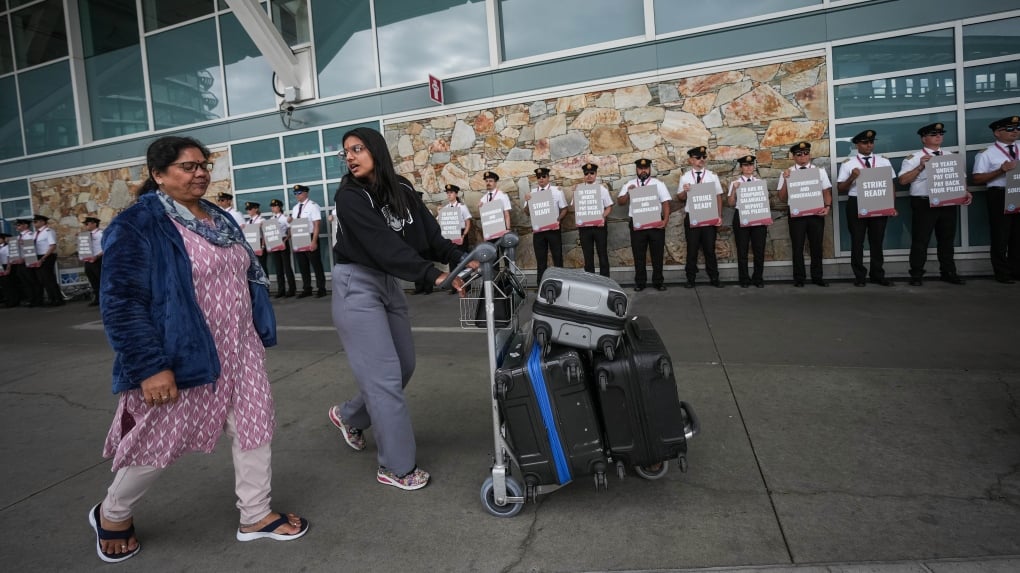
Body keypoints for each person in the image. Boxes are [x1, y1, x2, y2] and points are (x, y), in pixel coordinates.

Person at [89, 135, 308, 564]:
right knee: (157, 440)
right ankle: (112, 515)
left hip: (241, 348)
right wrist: (151, 367)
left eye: (203, 164)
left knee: (254, 426)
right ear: (158, 174)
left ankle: (256, 514)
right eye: (188, 166)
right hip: (181, 353)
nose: (200, 172)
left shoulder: (217, 217)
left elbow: (244, 278)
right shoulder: (138, 224)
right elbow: (120, 302)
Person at [327, 126, 470, 491]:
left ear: (376, 149)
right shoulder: (350, 197)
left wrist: (458, 259)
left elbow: (428, 235)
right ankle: (396, 466)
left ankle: (348, 415)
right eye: (346, 152)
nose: (351, 156)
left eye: (357, 148)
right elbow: (380, 245)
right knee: (384, 378)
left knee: (403, 365)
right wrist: (431, 275)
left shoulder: (402, 189)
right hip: (355, 284)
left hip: (388, 282)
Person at [899, 122, 970, 286]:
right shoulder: (914, 158)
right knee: (920, 240)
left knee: (947, 240)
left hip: (947, 202)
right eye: (933, 134)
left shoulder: (949, 155)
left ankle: (948, 272)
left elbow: (960, 178)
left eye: (940, 134)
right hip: (924, 203)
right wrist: (920, 167)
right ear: (924, 139)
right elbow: (903, 181)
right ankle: (916, 275)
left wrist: (965, 192)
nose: (938, 136)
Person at [837, 129, 894, 287]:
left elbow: (890, 185)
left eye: (871, 142)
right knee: (857, 241)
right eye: (865, 142)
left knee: (877, 240)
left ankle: (877, 274)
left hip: (878, 201)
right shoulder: (849, 163)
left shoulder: (883, 161)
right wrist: (852, 177)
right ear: (857, 145)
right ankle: (859, 276)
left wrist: (891, 205)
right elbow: (840, 188)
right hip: (856, 202)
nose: (869, 145)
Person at [971, 115, 1020, 284]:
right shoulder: (987, 154)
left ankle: (1016, 270)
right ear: (997, 133)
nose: (1015, 131)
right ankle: (1002, 272)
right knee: (1001, 234)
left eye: (1017, 128)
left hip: (1018, 192)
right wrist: (1001, 170)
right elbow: (977, 179)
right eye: (1010, 129)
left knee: (1017, 235)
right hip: (1000, 194)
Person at [777, 141, 832, 287]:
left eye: (806, 153)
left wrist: (827, 207)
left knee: (816, 246)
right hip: (797, 215)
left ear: (810, 155)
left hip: (816, 213)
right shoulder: (788, 172)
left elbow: (826, 191)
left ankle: (817, 277)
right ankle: (799, 278)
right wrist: (786, 180)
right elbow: (781, 198)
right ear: (794, 156)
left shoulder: (819, 171)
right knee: (797, 246)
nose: (803, 157)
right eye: (799, 154)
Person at [618, 158, 671, 292]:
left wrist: (665, 221)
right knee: (638, 255)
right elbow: (620, 202)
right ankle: (640, 282)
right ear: (636, 169)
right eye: (641, 168)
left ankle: (658, 282)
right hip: (637, 225)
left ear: (650, 169)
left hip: (655, 224)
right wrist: (628, 193)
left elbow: (665, 203)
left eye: (646, 168)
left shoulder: (657, 184)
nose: (643, 171)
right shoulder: (630, 184)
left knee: (657, 254)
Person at [678, 146, 724, 288]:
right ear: (691, 160)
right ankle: (690, 279)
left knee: (710, 249)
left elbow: (718, 197)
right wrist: (685, 192)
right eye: (698, 158)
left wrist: (719, 216)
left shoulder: (712, 176)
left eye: (703, 157)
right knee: (692, 249)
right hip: (692, 216)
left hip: (709, 216)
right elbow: (680, 197)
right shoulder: (685, 177)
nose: (701, 160)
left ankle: (714, 278)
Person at [727, 155, 768, 288]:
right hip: (741, 215)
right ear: (741, 167)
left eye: (751, 165)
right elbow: (731, 203)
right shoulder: (735, 183)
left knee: (759, 249)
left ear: (754, 166)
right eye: (745, 165)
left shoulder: (760, 182)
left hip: (757, 215)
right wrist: (734, 189)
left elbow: (765, 202)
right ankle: (744, 279)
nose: (749, 167)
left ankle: (758, 278)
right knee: (742, 250)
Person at [524, 167, 567, 283]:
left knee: (557, 258)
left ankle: (560, 283)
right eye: (539, 177)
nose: (541, 179)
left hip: (553, 230)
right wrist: (527, 202)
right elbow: (527, 212)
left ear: (548, 177)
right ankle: (541, 286)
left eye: (543, 176)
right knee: (541, 261)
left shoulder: (557, 191)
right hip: (539, 232)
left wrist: (558, 220)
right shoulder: (532, 193)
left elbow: (564, 209)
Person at [572, 162, 614, 276]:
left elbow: (609, 207)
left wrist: (602, 216)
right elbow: (575, 207)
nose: (589, 175)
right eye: (586, 173)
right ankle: (591, 283)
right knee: (587, 255)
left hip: (599, 227)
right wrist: (574, 194)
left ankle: (605, 281)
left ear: (596, 174)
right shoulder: (579, 189)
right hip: (585, 228)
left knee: (602, 255)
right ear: (583, 175)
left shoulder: (602, 189)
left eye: (592, 173)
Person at [289, 184, 327, 298]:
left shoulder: (313, 206)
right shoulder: (295, 208)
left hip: (310, 236)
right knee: (302, 264)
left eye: (299, 193)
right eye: (295, 193)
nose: (297, 195)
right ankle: (307, 288)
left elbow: (317, 224)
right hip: (299, 237)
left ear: (306, 193)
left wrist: (314, 241)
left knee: (316, 264)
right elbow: (295, 224)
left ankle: (321, 288)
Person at [439, 184, 473, 294]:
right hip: (450, 234)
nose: (449, 195)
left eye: (451, 193)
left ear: (456, 194)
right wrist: (439, 212)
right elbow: (439, 222)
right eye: (448, 193)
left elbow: (468, 223)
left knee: (463, 261)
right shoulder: (445, 209)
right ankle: (454, 286)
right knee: (452, 261)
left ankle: (467, 285)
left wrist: (463, 236)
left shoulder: (462, 207)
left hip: (461, 233)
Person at [32, 214, 63, 306]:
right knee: (43, 279)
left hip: (47, 256)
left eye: (36, 221)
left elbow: (52, 246)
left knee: (49, 278)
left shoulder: (48, 231)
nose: (34, 223)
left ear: (42, 222)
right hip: (38, 256)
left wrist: (43, 258)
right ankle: (51, 298)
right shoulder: (36, 233)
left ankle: (57, 299)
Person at [268, 198, 297, 297]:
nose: (273, 208)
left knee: (286, 266)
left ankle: (292, 289)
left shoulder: (284, 218)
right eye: (272, 207)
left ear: (279, 207)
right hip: (274, 242)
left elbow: (290, 231)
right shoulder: (271, 219)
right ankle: (281, 290)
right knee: (278, 268)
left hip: (283, 240)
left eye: (275, 206)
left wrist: (285, 240)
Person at [82, 216, 104, 306]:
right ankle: (97, 298)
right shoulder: (87, 235)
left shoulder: (101, 234)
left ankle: (104, 298)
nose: (86, 226)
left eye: (87, 224)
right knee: (92, 280)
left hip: (98, 259)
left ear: (94, 224)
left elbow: (106, 247)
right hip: (89, 259)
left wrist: (97, 256)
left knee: (100, 279)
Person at [245, 201, 269, 276]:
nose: (248, 211)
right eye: (247, 209)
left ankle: (266, 285)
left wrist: (262, 246)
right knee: (253, 267)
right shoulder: (248, 222)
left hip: (260, 243)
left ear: (256, 209)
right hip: (251, 244)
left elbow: (265, 235)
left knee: (262, 266)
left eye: (250, 209)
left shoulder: (262, 220)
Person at [0, 232, 17, 307]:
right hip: (0, 266)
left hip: (6, 265)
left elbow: (9, 258)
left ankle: (12, 301)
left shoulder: (7, 247)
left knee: (8, 284)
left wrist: (8, 268)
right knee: (3, 285)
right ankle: (6, 300)